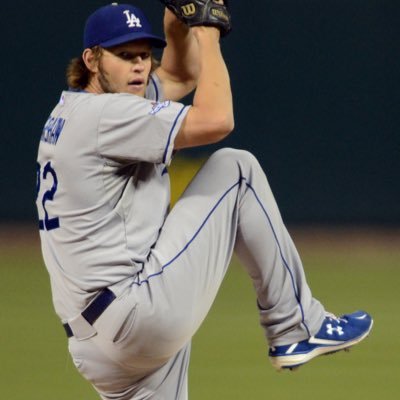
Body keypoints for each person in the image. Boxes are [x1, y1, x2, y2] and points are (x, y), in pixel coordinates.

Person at [35, 2, 373, 399]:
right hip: (135, 313)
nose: (140, 66)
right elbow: (217, 120)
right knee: (237, 170)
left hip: (98, 344)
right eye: (125, 56)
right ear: (92, 59)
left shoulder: (80, 110)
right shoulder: (107, 115)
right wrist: (207, 32)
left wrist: (176, 26)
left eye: (145, 53)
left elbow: (179, 74)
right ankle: (295, 326)